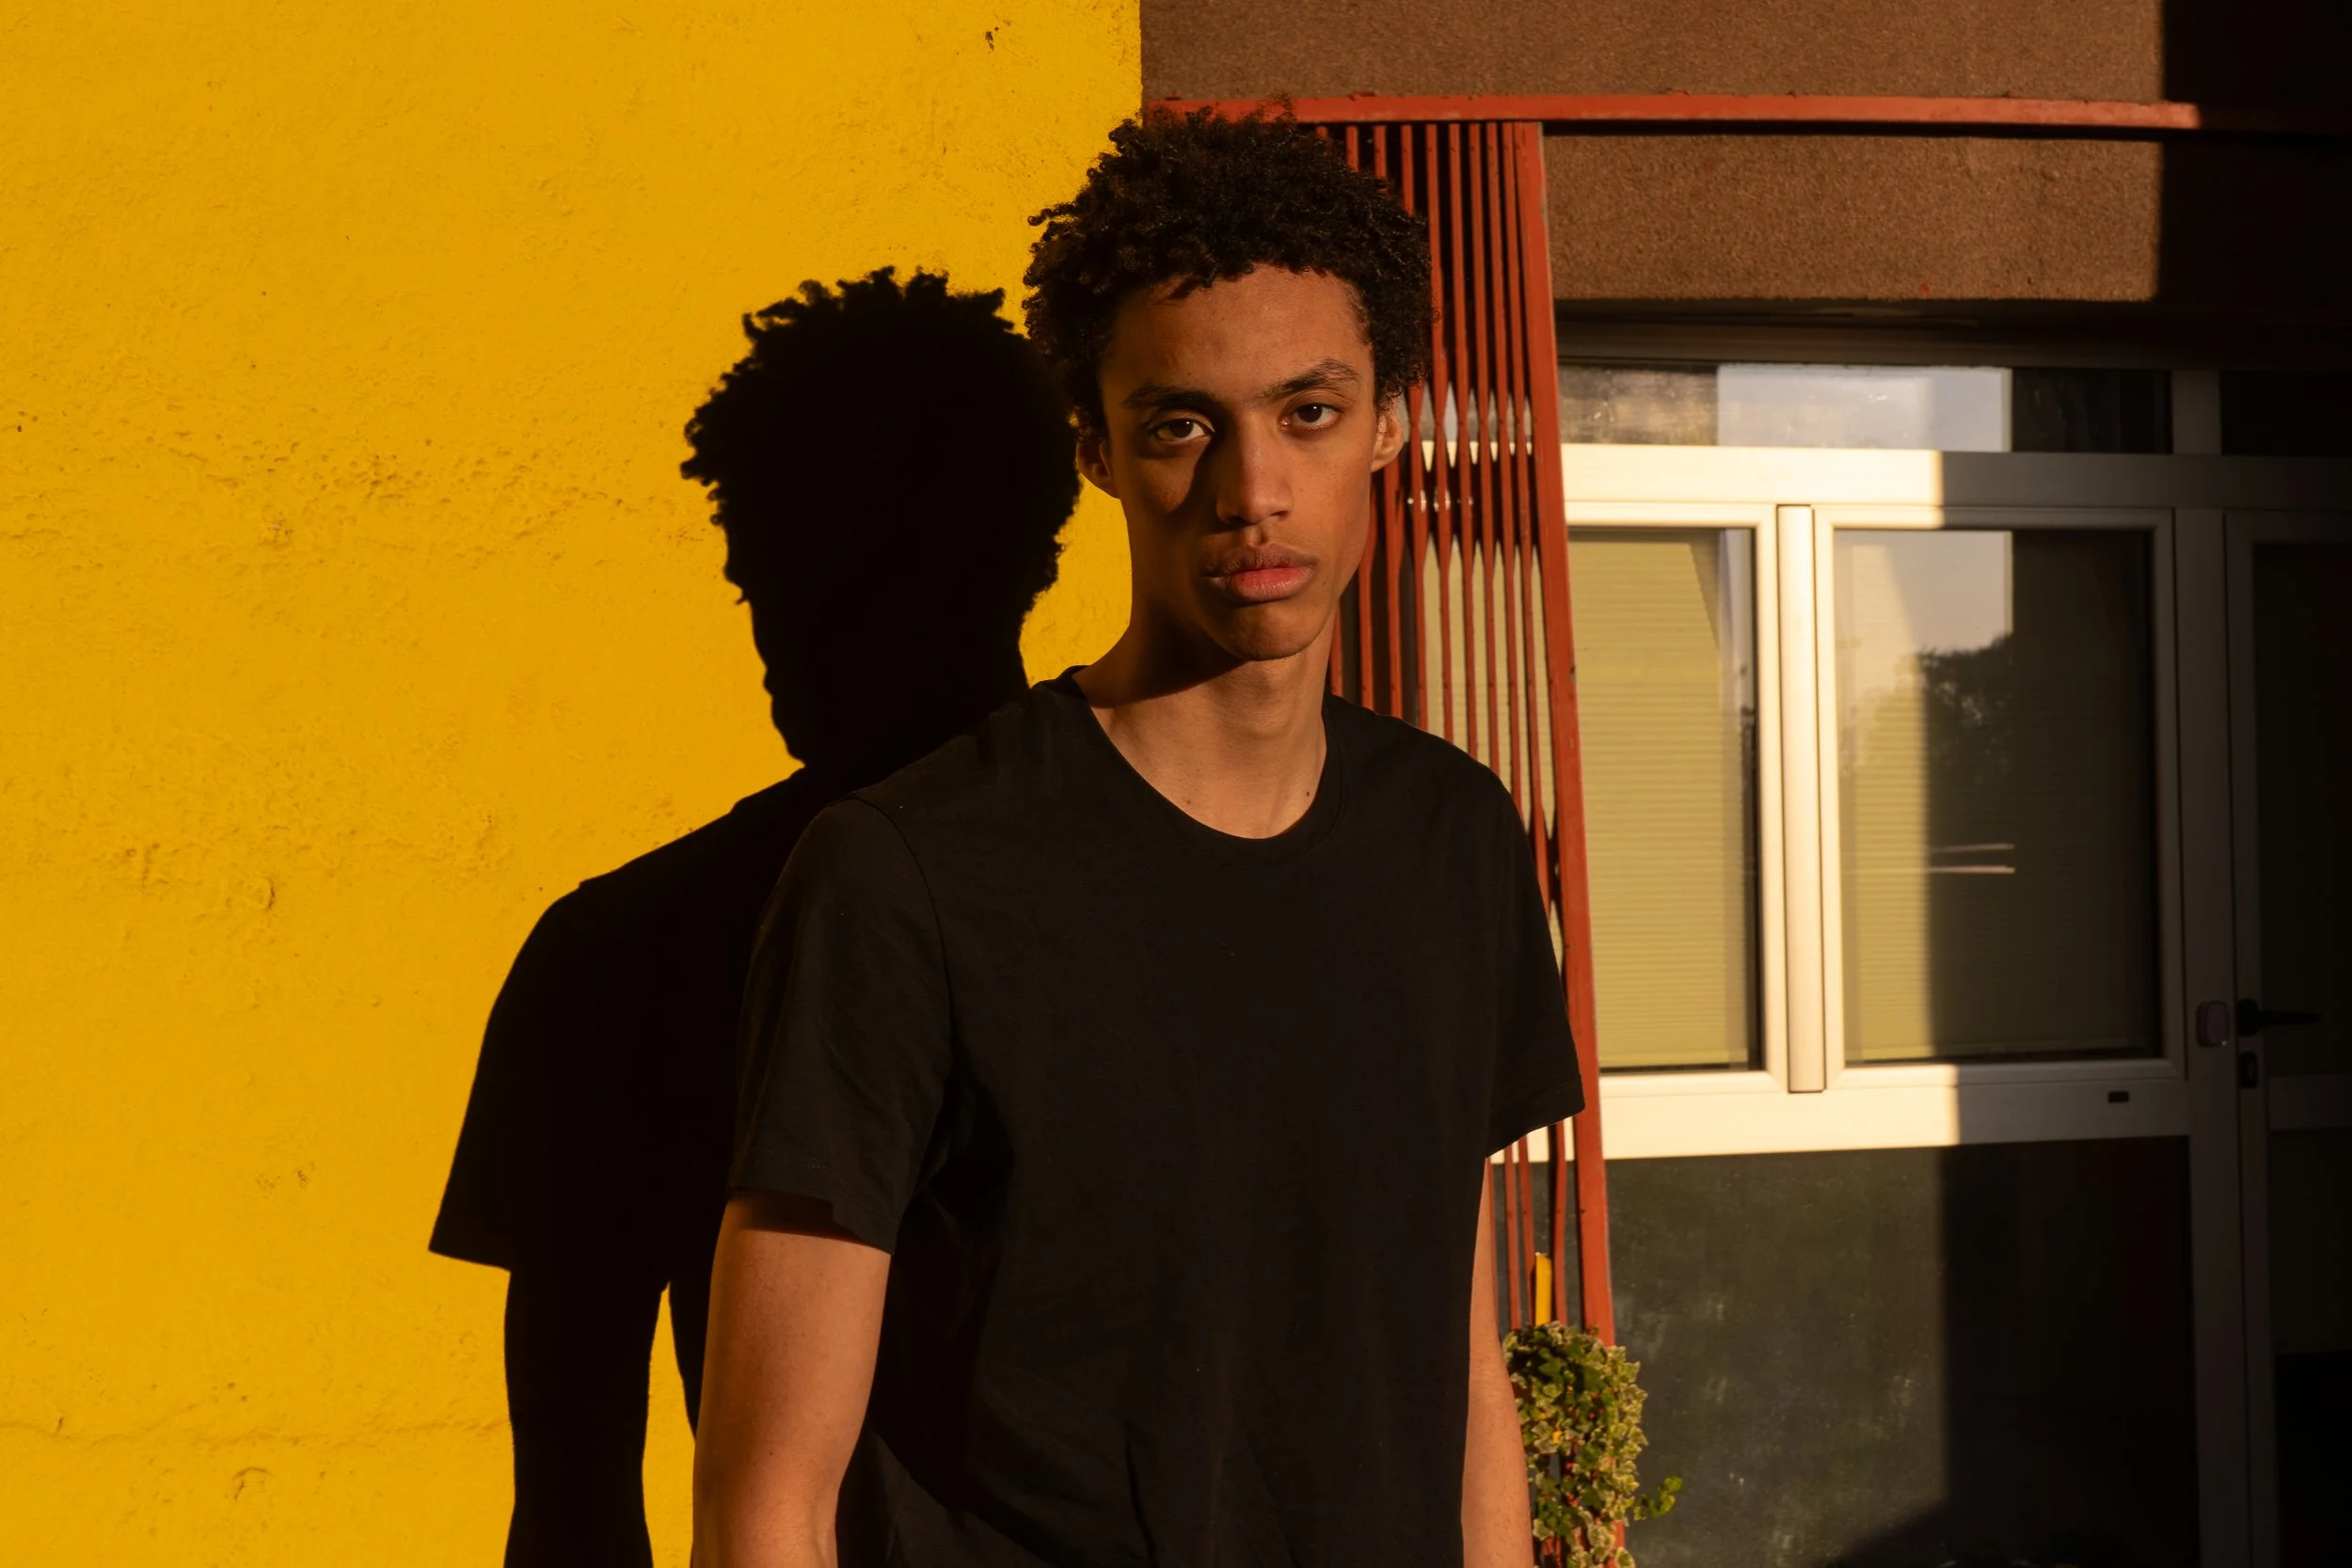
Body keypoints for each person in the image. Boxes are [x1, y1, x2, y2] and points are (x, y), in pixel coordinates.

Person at [692, 111, 1582, 1568]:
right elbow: (764, 1503)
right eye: (1183, 424)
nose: (1253, 492)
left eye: (1309, 412)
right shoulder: (906, 876)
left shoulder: (1456, 841)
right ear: (1099, 450)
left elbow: (1462, 1374)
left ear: (1391, 423)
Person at [427, 268, 1079, 1568]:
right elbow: (571, 1490)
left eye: (839, 578)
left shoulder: (624, 947)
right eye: (766, 582)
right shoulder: (616, 957)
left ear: (1010, 560)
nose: (784, 636)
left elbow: (570, 1491)